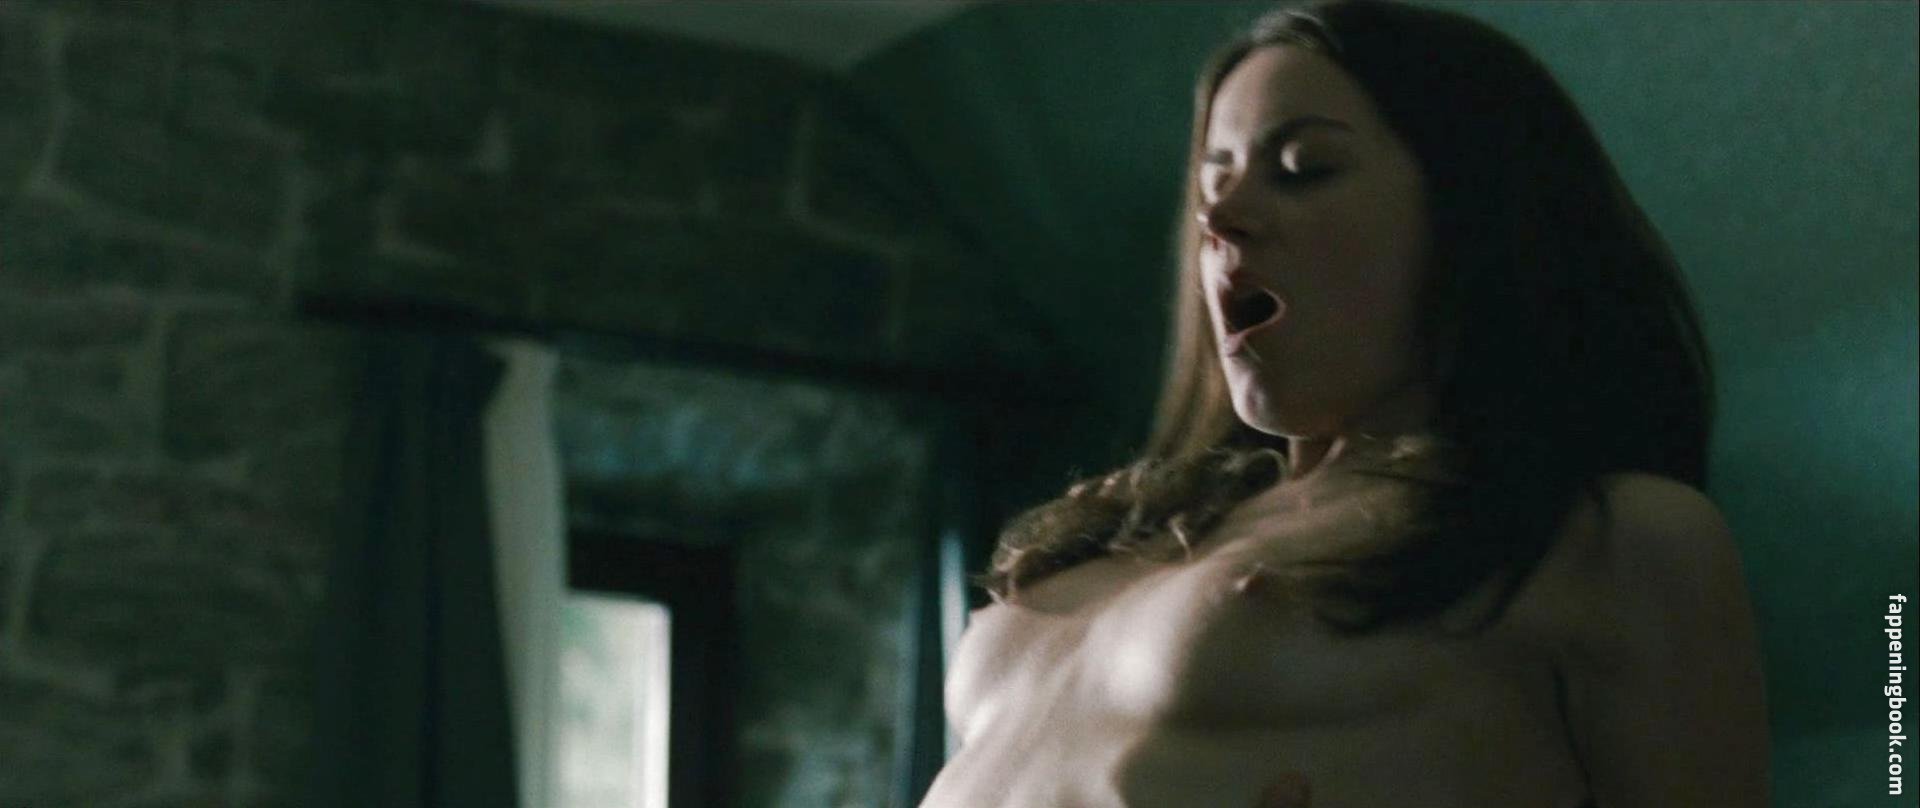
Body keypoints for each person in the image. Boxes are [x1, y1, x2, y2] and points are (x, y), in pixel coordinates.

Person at [917, 1, 1770, 806]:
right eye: (1213, 180)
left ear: (1474, 219)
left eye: (1303, 170)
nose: (1220, 216)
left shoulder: (1605, 542)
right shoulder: (1122, 540)